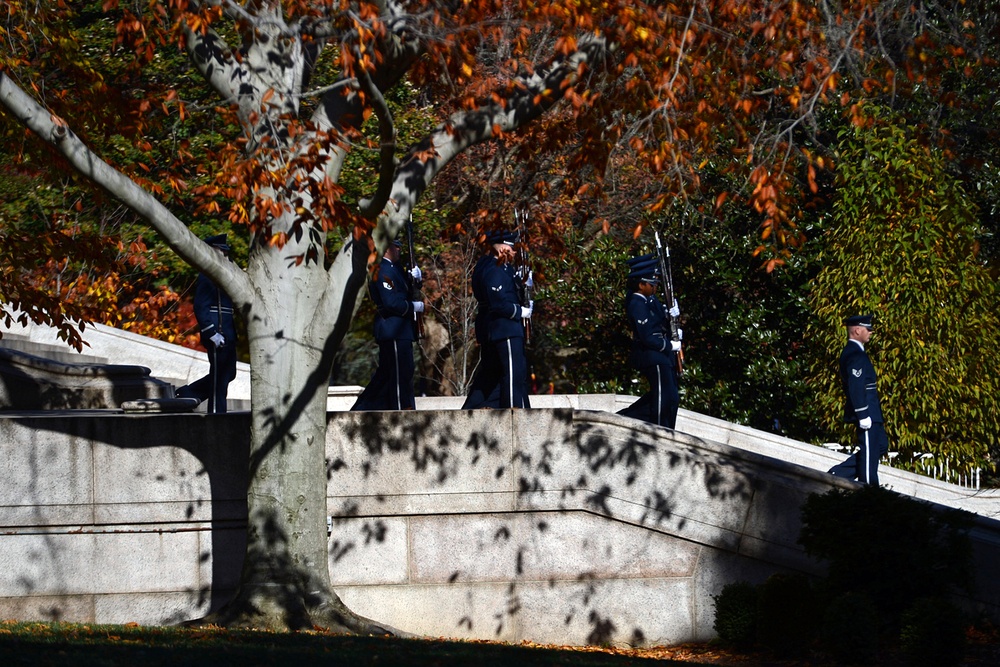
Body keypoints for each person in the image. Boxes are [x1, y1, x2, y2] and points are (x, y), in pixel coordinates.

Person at [351, 240, 425, 411]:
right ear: (385, 249)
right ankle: (401, 408)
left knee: (390, 373)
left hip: (401, 329)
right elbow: (391, 302)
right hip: (392, 328)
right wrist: (413, 306)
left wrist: (417, 280)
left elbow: (408, 290)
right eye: (395, 246)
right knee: (400, 372)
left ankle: (363, 408)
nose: (399, 249)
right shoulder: (382, 270)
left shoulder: (396, 268)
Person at [464, 230, 532, 409]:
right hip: (504, 327)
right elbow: (498, 302)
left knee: (493, 374)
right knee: (513, 371)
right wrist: (519, 311)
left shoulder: (501, 267)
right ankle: (514, 409)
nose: (514, 252)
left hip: (501, 326)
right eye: (511, 248)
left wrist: (522, 283)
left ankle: (475, 407)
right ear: (502, 248)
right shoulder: (494, 269)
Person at [617, 254, 682, 429]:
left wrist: (671, 317)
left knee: (671, 397)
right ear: (641, 285)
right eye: (652, 284)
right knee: (663, 397)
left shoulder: (649, 299)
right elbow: (648, 336)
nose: (655, 287)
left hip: (662, 355)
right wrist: (669, 345)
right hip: (652, 355)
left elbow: (660, 321)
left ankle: (627, 417)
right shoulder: (636, 303)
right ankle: (661, 430)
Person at [176, 234, 238, 413]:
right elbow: (200, 306)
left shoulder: (222, 275)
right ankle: (217, 413)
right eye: (221, 251)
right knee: (220, 376)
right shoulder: (208, 275)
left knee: (229, 373)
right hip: (218, 330)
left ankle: (189, 392)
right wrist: (211, 332)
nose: (224, 255)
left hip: (227, 331)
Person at [828, 313, 889, 486]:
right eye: (867, 329)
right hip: (867, 412)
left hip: (873, 411)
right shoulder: (855, 354)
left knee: (880, 445)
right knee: (869, 453)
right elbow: (856, 386)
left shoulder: (858, 353)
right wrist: (862, 415)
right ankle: (869, 488)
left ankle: (839, 473)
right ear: (856, 330)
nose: (870, 332)